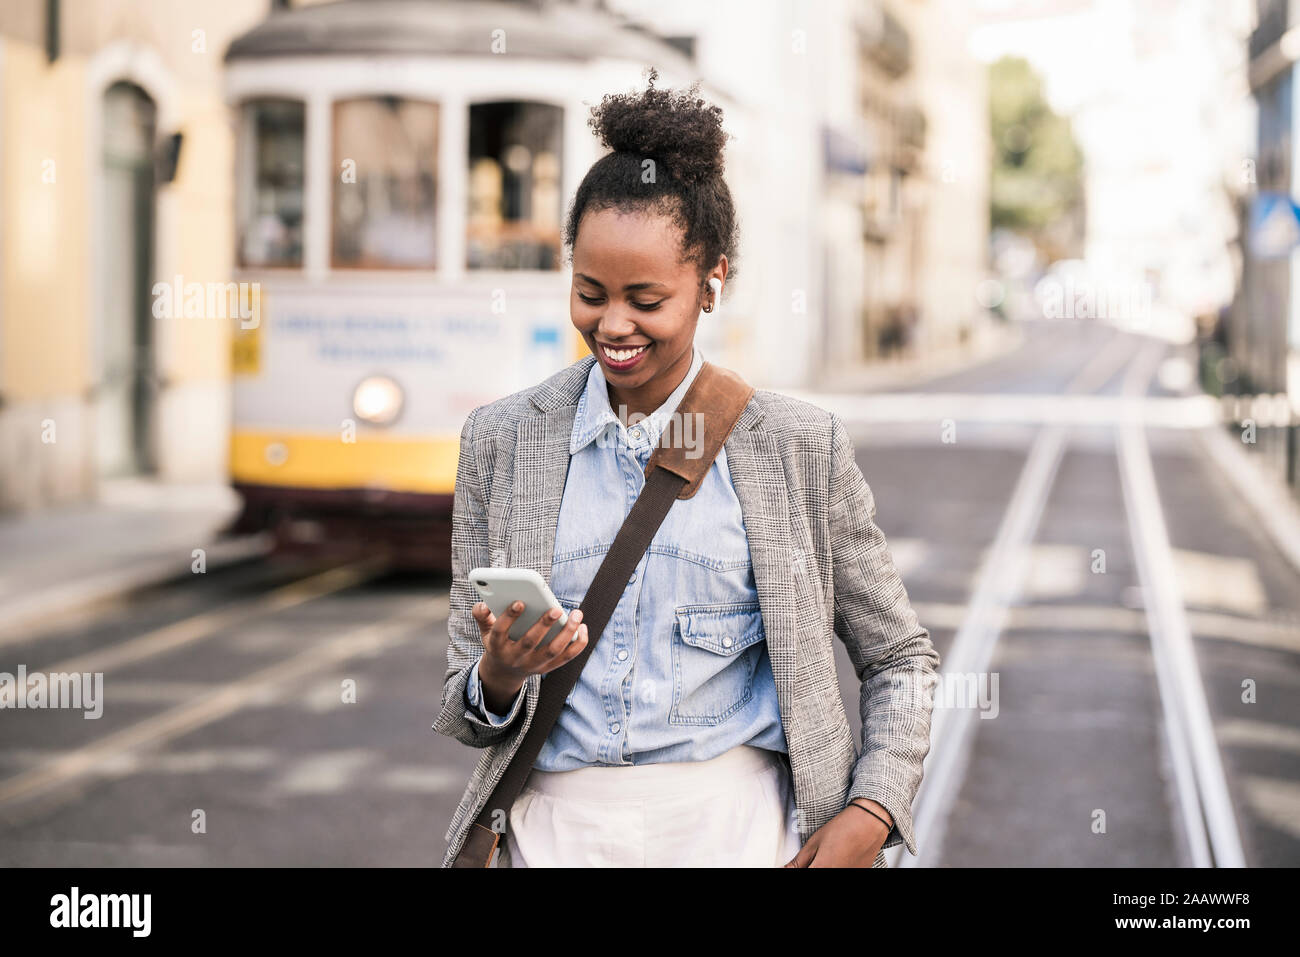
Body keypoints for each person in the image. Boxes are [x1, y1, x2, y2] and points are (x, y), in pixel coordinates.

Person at [435, 70, 940, 868]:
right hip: (551, 839)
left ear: (712, 284)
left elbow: (900, 659)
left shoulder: (797, 446)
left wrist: (873, 807)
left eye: (646, 298)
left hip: (739, 837)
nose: (613, 325)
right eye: (590, 291)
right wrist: (498, 674)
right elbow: (469, 708)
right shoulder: (502, 441)